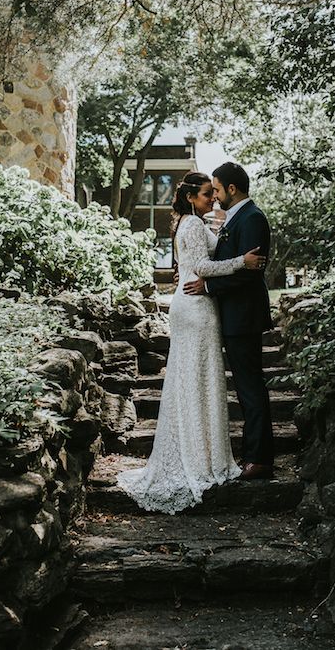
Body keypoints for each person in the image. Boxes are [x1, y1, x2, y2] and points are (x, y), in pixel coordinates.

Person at [117, 172, 266, 513]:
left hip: (189, 306)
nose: (212, 198)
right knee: (200, 380)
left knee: (192, 380)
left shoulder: (189, 222)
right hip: (196, 308)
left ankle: (196, 450)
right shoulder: (194, 225)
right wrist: (242, 261)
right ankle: (200, 459)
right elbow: (202, 265)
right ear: (189, 198)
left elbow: (203, 258)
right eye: (205, 194)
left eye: (213, 192)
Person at [184, 161, 274, 479]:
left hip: (244, 316)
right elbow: (231, 262)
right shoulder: (236, 218)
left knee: (250, 388)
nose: (216, 195)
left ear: (231, 189)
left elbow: (250, 276)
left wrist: (208, 285)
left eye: (218, 189)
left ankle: (260, 458)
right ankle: (254, 453)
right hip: (233, 316)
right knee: (246, 387)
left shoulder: (252, 219)